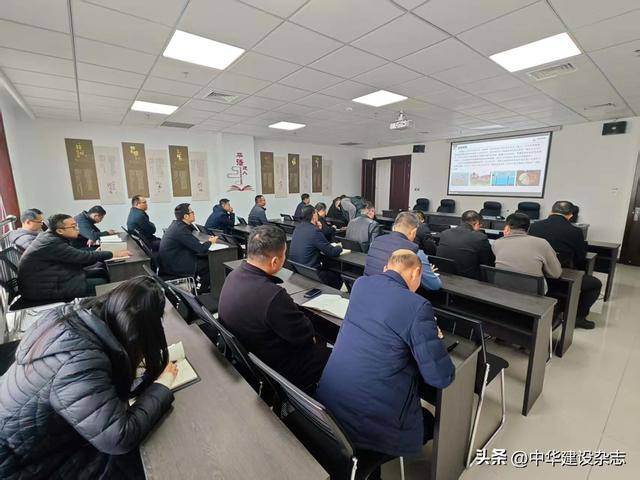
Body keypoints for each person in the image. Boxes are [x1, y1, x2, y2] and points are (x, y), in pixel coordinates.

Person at [0, 276, 177, 479]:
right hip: (20, 466)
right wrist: (162, 385)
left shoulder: (72, 317)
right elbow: (119, 437)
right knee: (136, 461)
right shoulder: (79, 360)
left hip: (26, 439)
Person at [316, 250, 455, 477]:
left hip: (331, 404)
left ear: (386, 269)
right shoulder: (418, 306)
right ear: (416, 272)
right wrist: (432, 335)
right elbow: (440, 377)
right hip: (371, 426)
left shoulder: (361, 285)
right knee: (429, 421)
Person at [218, 225, 330, 390]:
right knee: (332, 355)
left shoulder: (233, 275)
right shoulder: (273, 295)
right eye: (284, 254)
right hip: (276, 369)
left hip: (250, 358)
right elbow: (306, 337)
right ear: (275, 261)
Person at [18, 214, 130, 302]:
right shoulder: (51, 242)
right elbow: (82, 257)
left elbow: (76, 258)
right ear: (60, 230)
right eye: (73, 227)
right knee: (101, 282)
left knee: (101, 271)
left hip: (52, 278)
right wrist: (113, 254)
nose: (77, 229)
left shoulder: (51, 237)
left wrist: (97, 254)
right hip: (44, 289)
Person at [529, 201, 602, 329]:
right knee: (595, 284)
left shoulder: (535, 226)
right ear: (570, 215)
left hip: (535, 273)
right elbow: (580, 258)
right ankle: (579, 318)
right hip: (560, 277)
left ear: (551, 211)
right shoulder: (575, 231)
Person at [365, 211, 441, 290]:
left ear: (394, 228)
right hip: (392, 295)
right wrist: (426, 271)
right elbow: (435, 285)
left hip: (367, 289)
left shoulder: (376, 241)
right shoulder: (414, 252)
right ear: (413, 232)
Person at [492, 212, 562, 292]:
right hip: (533, 292)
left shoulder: (497, 243)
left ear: (507, 228)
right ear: (528, 228)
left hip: (502, 289)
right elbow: (556, 274)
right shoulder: (542, 243)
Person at [158, 203, 217, 292]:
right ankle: (202, 291)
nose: (194, 213)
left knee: (205, 258)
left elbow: (192, 241)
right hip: (176, 265)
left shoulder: (177, 225)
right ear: (186, 216)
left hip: (171, 262)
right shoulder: (180, 229)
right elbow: (200, 249)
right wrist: (210, 242)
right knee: (211, 263)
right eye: (192, 212)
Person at [289, 205, 343, 289]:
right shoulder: (314, 231)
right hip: (312, 273)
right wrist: (339, 247)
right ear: (314, 215)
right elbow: (332, 252)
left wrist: (318, 229)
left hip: (299, 269)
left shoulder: (298, 228)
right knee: (338, 274)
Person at [436, 210, 495, 279]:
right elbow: (488, 263)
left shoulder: (445, 233)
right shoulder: (480, 238)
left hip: (444, 275)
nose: (480, 227)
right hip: (468, 279)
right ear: (476, 223)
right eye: (480, 225)